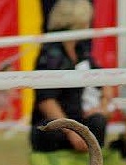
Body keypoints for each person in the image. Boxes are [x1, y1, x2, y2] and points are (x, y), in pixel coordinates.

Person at [29, 0, 114, 155]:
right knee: (52, 129)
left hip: (78, 118)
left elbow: (104, 79)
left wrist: (103, 106)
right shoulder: (50, 55)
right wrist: (71, 131)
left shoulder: (81, 51)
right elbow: (46, 100)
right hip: (55, 123)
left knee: (98, 121)